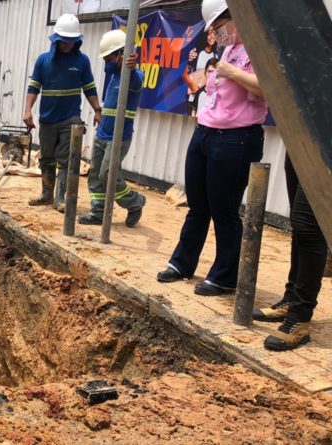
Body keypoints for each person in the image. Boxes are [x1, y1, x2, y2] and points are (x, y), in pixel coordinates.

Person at [157, 0, 268, 296]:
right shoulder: (228, 50)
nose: (218, 35)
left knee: (224, 210)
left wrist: (232, 73)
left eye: (219, 27)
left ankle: (224, 276)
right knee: (198, 206)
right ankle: (182, 263)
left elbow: (266, 87)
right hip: (206, 133)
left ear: (235, 17)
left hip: (237, 138)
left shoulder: (259, 48)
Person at [24, 13, 101, 212]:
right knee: (46, 157)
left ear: (77, 42)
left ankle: (60, 198)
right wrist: (27, 111)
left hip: (70, 118)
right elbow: (33, 87)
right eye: (64, 42)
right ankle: (46, 194)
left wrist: (98, 110)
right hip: (48, 119)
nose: (67, 46)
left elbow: (89, 89)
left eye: (71, 42)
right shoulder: (43, 61)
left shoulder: (82, 61)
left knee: (65, 159)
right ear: (56, 40)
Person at [252, 156, 328, 351]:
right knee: (299, 224)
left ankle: (300, 318)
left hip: (325, 144)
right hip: (302, 139)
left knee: (309, 228)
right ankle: (291, 300)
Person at [78, 29, 147, 227]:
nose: (107, 61)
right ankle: (98, 212)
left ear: (121, 54)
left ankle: (135, 202)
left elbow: (136, 83)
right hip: (103, 134)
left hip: (119, 136)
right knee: (95, 174)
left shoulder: (133, 75)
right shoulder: (114, 75)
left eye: (110, 57)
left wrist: (131, 69)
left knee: (108, 173)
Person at [183, 28, 220, 116]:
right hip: (193, 97)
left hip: (207, 96)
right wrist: (192, 85)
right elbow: (184, 74)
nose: (211, 37)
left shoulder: (216, 55)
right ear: (205, 35)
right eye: (209, 33)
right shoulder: (196, 52)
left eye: (214, 34)